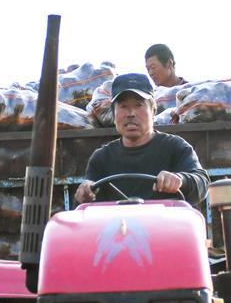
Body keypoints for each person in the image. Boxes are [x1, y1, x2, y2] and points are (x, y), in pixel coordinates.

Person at [75, 73, 208, 205]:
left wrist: (180, 180)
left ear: (153, 110)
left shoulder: (175, 147)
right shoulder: (101, 158)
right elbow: (85, 206)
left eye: (138, 105)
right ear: (113, 113)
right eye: (123, 106)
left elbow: (201, 183)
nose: (131, 114)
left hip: (164, 225)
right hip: (118, 225)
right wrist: (84, 192)